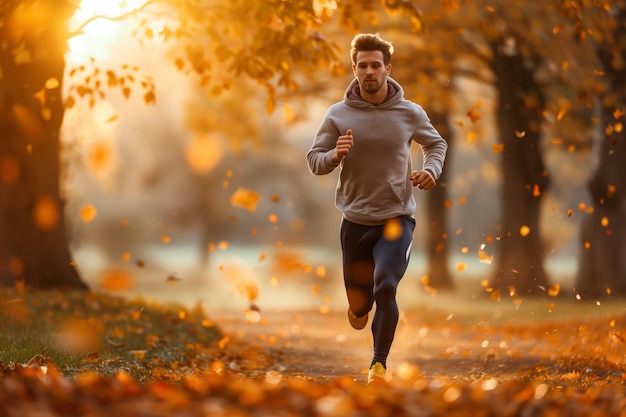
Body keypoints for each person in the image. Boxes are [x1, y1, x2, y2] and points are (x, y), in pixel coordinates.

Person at [306, 33, 448, 385]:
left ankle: (378, 365)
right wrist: (335, 155)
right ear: (354, 69)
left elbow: (436, 144)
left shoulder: (410, 112)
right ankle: (359, 308)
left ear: (387, 68)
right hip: (354, 221)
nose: (369, 71)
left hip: (396, 218)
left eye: (376, 65)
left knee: (386, 285)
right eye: (363, 65)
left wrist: (430, 171)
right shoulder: (337, 115)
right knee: (359, 309)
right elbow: (314, 161)